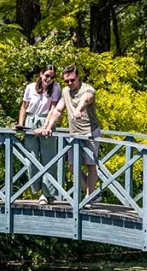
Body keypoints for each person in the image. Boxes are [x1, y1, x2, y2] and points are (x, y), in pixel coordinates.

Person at [36, 65, 100, 197]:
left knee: (91, 165)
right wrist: (48, 127)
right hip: (74, 134)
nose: (69, 83)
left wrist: (79, 109)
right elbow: (58, 110)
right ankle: (93, 194)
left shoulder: (87, 89)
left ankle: (90, 197)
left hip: (90, 133)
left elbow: (86, 98)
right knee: (72, 167)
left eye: (72, 80)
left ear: (78, 77)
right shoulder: (65, 91)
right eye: (66, 81)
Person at [15, 64, 61, 206]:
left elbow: (53, 108)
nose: (49, 79)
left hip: (46, 120)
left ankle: (47, 194)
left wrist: (45, 127)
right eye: (47, 75)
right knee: (31, 159)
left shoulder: (56, 87)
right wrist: (20, 124)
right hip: (30, 121)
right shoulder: (30, 87)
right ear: (41, 74)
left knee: (48, 158)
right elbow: (24, 106)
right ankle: (37, 188)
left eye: (52, 77)